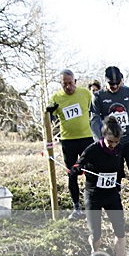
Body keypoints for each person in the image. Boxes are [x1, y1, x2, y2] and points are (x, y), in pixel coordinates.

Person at [69, 115, 129, 256]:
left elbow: (119, 168)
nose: (113, 145)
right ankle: (95, 255)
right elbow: (77, 165)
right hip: (94, 195)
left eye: (116, 142)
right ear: (104, 137)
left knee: (120, 231)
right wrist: (77, 169)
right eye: (110, 142)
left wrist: (119, 182)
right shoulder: (93, 149)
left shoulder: (119, 148)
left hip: (111, 195)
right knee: (96, 234)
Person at [90, 66, 129, 219]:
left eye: (117, 83)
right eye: (111, 84)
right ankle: (115, 209)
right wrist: (101, 141)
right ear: (105, 81)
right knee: (114, 176)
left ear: (121, 80)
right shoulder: (98, 97)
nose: (114, 87)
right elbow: (94, 120)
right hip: (112, 143)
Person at [47, 69, 94, 220]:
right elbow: (50, 119)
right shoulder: (56, 97)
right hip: (68, 141)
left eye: (70, 83)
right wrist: (49, 112)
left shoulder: (85, 94)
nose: (68, 87)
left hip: (86, 139)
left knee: (91, 172)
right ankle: (76, 208)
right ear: (61, 84)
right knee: (72, 174)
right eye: (64, 84)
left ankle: (92, 207)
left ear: (75, 81)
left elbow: (92, 112)